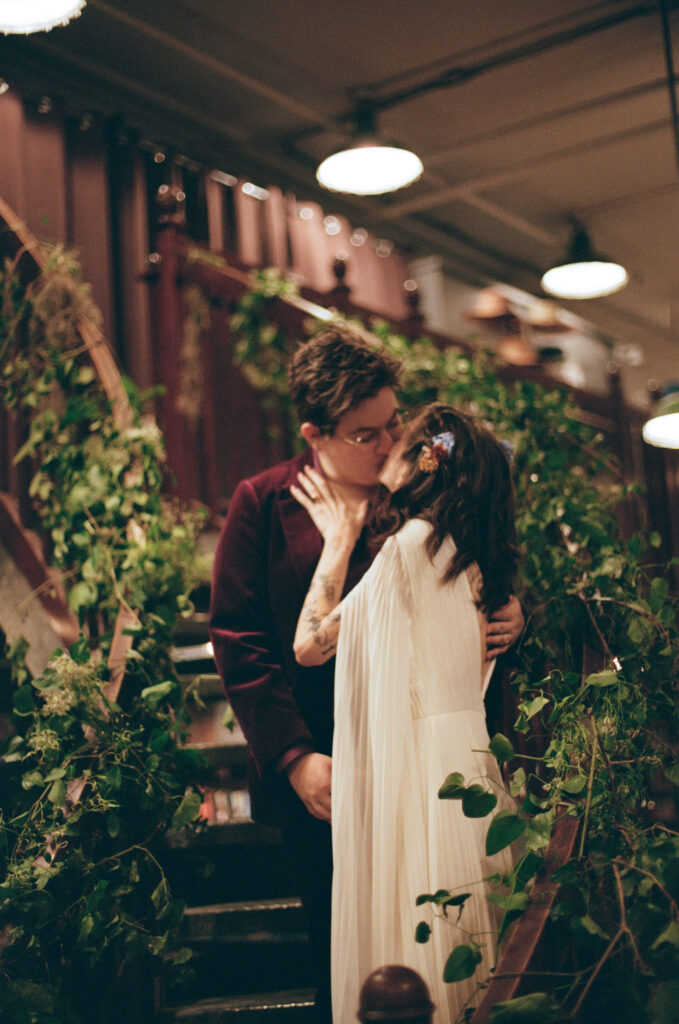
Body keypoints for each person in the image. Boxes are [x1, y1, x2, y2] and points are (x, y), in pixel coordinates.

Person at [208, 326, 524, 1022]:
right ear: (314, 433)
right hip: (323, 768)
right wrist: (293, 758)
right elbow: (239, 640)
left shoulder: (407, 493)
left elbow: (463, 570)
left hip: (417, 757)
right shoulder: (263, 502)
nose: (386, 445)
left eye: (391, 425)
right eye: (364, 433)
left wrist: (506, 612)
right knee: (347, 953)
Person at [292, 403, 521, 1024]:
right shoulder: (476, 558)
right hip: (471, 776)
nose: (387, 442)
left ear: (424, 464)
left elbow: (310, 644)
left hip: (421, 779)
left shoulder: (408, 549)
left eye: (400, 437)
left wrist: (336, 543)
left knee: (415, 953)